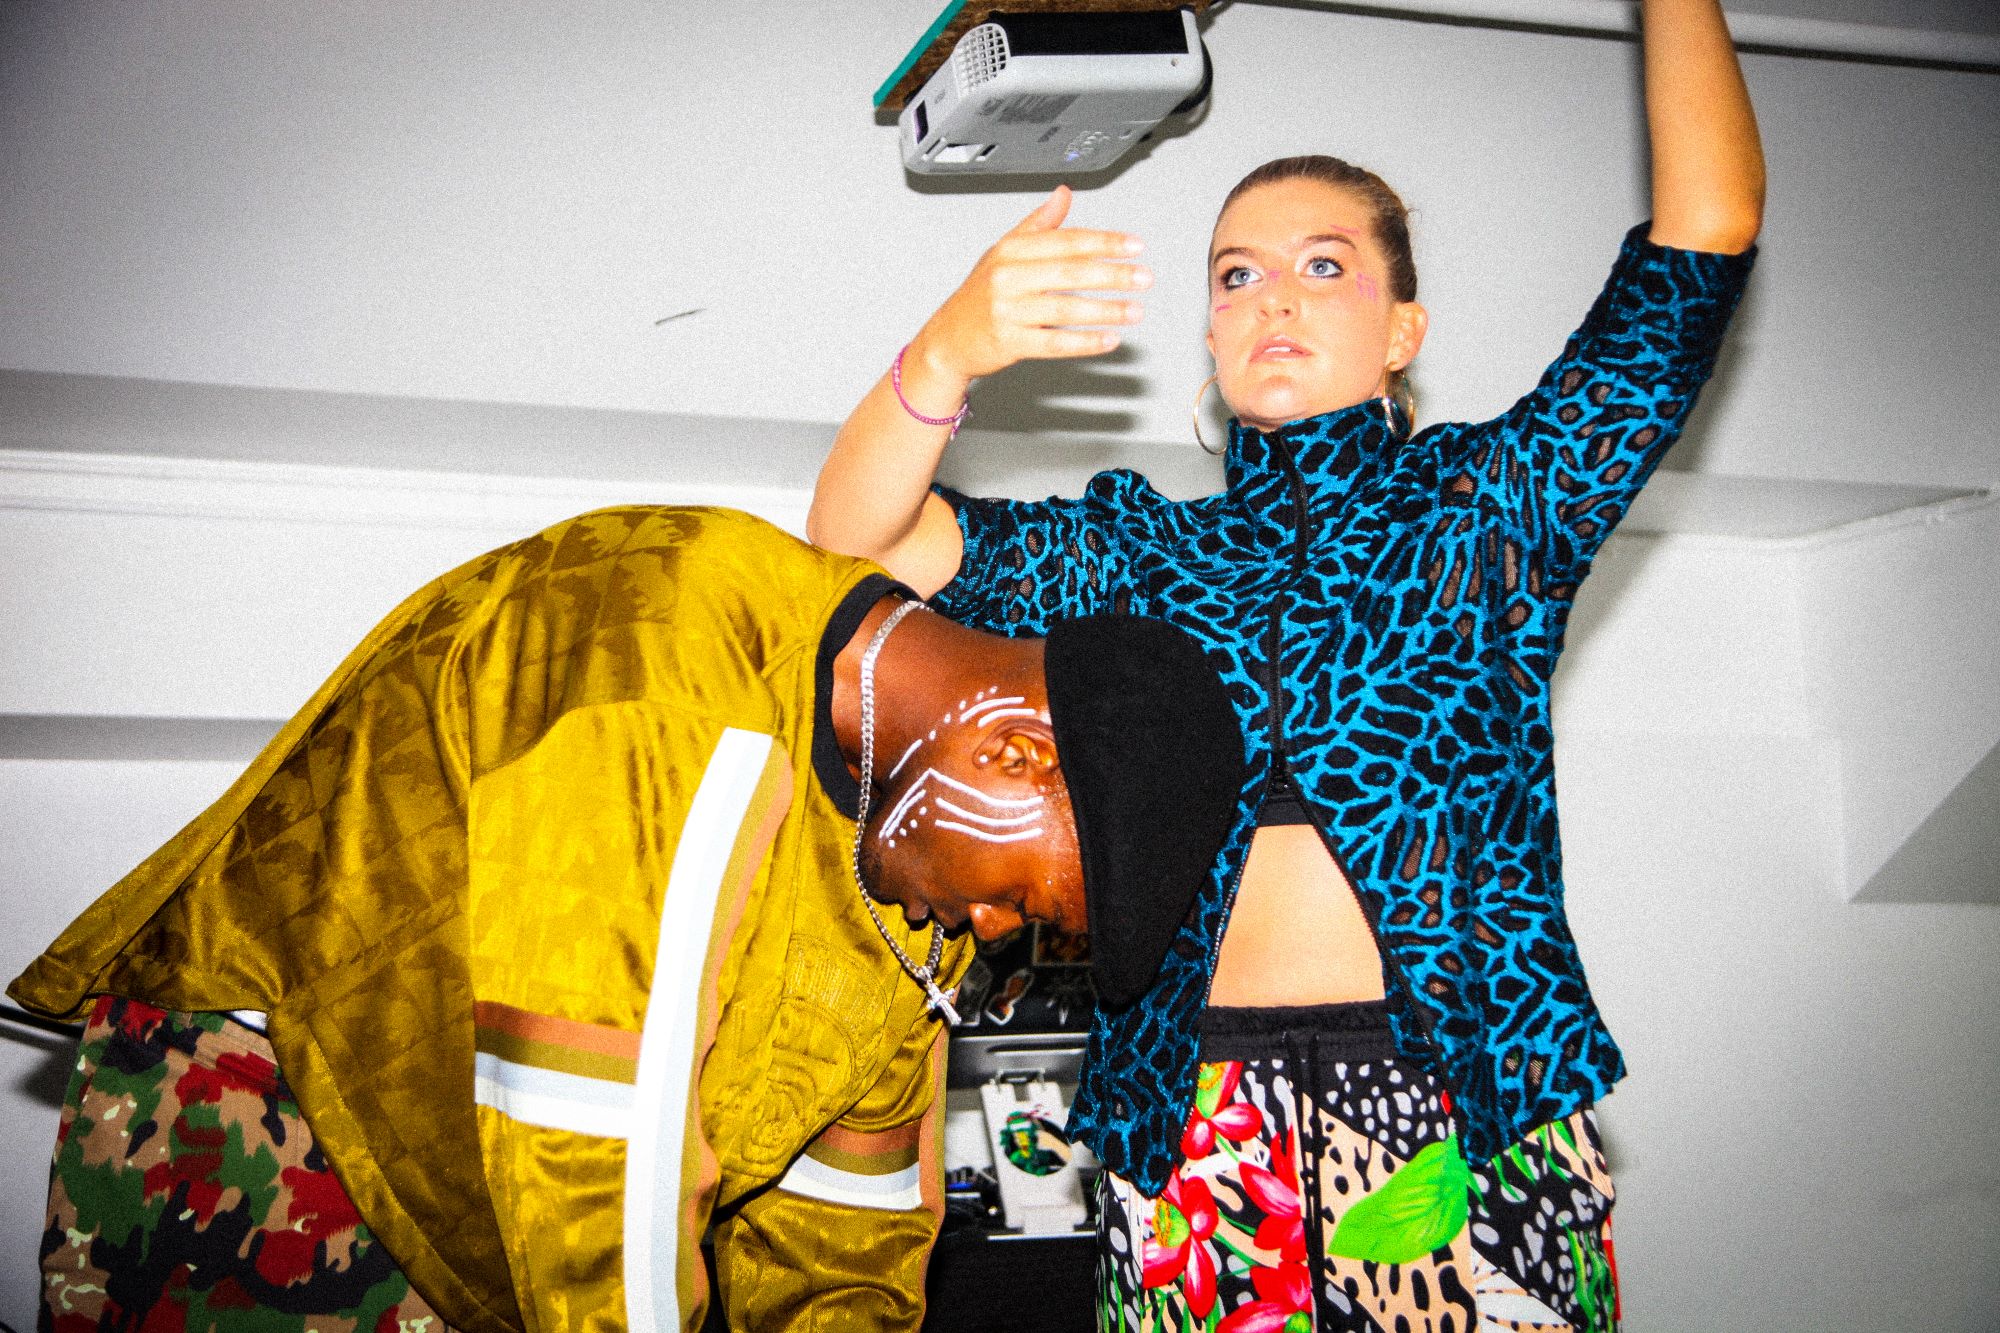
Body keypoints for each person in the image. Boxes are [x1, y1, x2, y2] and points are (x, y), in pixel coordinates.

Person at [806, 0, 1765, 1326]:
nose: (1272, 297)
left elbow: (1702, 236)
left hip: (1462, 1113)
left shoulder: (1493, 508)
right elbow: (856, 545)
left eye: (1323, 265)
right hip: (1188, 1129)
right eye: (1236, 276)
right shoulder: (1135, 551)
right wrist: (949, 348)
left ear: (1402, 330)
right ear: (1208, 336)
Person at [10, 504, 1244, 1333]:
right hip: (275, 1146)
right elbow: (587, 1137)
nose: (986, 925)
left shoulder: (908, 866)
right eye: (1020, 898)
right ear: (1013, 752)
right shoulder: (665, 642)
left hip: (504, 1260)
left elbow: (848, 1210)